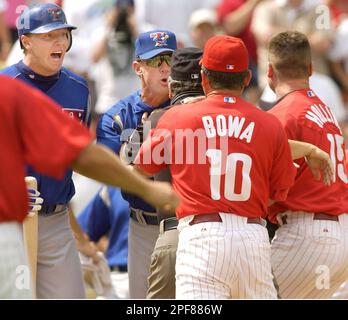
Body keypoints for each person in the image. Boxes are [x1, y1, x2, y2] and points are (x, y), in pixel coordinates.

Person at [134, 35, 298, 299]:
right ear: (247, 78)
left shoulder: (175, 118)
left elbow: (140, 168)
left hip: (201, 237)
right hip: (252, 236)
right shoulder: (270, 124)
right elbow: (278, 193)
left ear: (204, 76)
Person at [0, 75, 179, 299]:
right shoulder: (8, 89)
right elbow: (81, 155)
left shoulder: (8, 90)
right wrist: (148, 189)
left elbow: (78, 154)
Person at [267, 31, 348, 299]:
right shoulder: (324, 110)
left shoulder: (283, 115)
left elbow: (268, 189)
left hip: (307, 235)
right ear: (311, 69)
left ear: (269, 72)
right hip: (336, 233)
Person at [96, 29, 177, 298]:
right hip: (142, 224)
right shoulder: (118, 116)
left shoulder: (190, 108)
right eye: (156, 61)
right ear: (138, 68)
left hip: (186, 223)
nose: (165, 68)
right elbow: (109, 174)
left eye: (170, 59)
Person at [77, 186, 130, 299]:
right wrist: (96, 255)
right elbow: (81, 231)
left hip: (160, 275)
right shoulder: (114, 187)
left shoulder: (172, 184)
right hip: (117, 280)